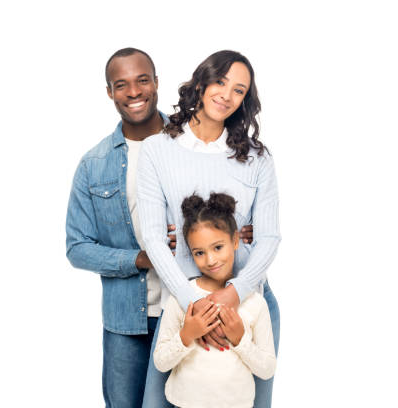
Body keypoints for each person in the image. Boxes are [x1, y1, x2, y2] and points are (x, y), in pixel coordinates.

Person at [65, 48, 254, 407]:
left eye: (143, 80)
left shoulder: (191, 142)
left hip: (194, 304)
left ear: (156, 83)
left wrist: (244, 232)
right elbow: (77, 247)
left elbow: (230, 197)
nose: (134, 92)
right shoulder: (94, 164)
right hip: (128, 319)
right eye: (121, 85)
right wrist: (140, 258)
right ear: (109, 92)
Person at [137, 50, 280, 408]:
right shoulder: (157, 150)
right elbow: (154, 237)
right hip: (184, 306)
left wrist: (233, 294)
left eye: (239, 90)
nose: (226, 95)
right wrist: (196, 304)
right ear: (201, 82)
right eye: (221, 81)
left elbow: (269, 237)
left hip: (248, 303)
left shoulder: (257, 158)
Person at [153, 192, 276, 408]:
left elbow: (267, 369)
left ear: (236, 240)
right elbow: (161, 362)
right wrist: (186, 335)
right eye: (199, 252)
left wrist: (240, 340)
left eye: (218, 247)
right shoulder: (182, 299)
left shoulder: (255, 303)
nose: (210, 260)